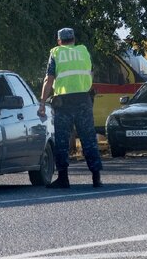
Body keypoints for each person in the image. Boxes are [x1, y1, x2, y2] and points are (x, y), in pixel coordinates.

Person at [38, 27, 103, 188]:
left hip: (64, 102)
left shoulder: (56, 53)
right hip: (83, 99)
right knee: (88, 138)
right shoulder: (83, 51)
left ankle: (63, 178)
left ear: (59, 41)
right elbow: (91, 73)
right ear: (74, 39)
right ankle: (96, 177)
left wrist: (42, 103)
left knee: (61, 140)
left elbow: (49, 79)